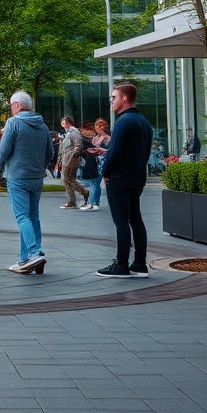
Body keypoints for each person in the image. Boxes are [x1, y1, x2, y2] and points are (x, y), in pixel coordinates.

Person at [97, 82, 153, 279]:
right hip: (136, 178)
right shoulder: (144, 122)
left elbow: (117, 153)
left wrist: (105, 171)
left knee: (121, 221)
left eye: (114, 97)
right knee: (136, 219)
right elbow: (139, 152)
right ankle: (139, 263)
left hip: (119, 178)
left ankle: (121, 265)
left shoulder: (123, 122)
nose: (111, 101)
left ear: (124, 99)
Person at [0, 91, 54, 275]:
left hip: (17, 177)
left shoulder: (13, 123)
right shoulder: (42, 125)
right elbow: (50, 153)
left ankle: (34, 253)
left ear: (18, 105)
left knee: (22, 217)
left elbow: (3, 151)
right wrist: (40, 167)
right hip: (36, 178)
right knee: (32, 216)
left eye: (11, 105)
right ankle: (24, 259)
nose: (11, 109)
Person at [57, 116, 90, 210]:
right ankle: (71, 200)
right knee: (66, 179)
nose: (62, 125)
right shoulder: (67, 133)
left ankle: (83, 192)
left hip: (70, 159)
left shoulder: (73, 131)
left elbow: (78, 145)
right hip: (66, 158)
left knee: (68, 178)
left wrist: (72, 155)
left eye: (63, 122)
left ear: (68, 122)